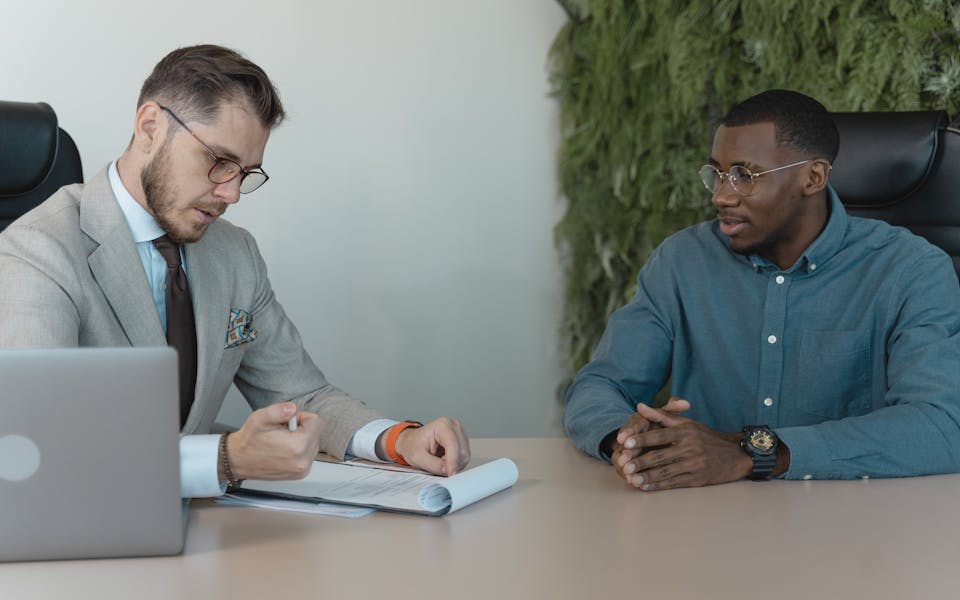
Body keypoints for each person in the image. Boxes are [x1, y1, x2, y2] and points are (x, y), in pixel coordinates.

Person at [0, 44, 469, 497]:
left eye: (245, 172)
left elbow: (303, 396)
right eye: (219, 162)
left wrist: (398, 440)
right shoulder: (38, 250)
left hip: (208, 527)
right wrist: (227, 459)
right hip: (88, 531)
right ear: (150, 127)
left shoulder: (234, 252)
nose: (232, 194)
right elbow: (38, 444)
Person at [564, 89, 960, 490]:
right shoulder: (682, 261)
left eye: (745, 176)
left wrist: (752, 452)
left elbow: (943, 425)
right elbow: (599, 385)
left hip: (851, 515)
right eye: (717, 173)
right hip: (702, 511)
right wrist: (630, 440)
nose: (721, 195)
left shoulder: (911, 271)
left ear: (813, 177)